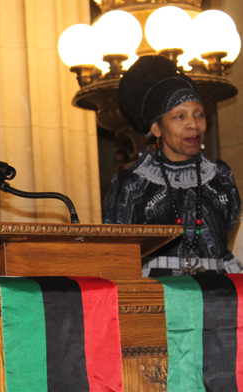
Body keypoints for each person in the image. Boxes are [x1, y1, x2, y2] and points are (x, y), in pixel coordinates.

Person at [103, 55, 242, 277]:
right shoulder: (131, 184)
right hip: (158, 296)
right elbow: (118, 254)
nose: (194, 125)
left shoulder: (221, 176)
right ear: (157, 128)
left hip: (217, 294)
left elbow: (229, 223)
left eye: (199, 115)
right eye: (180, 117)